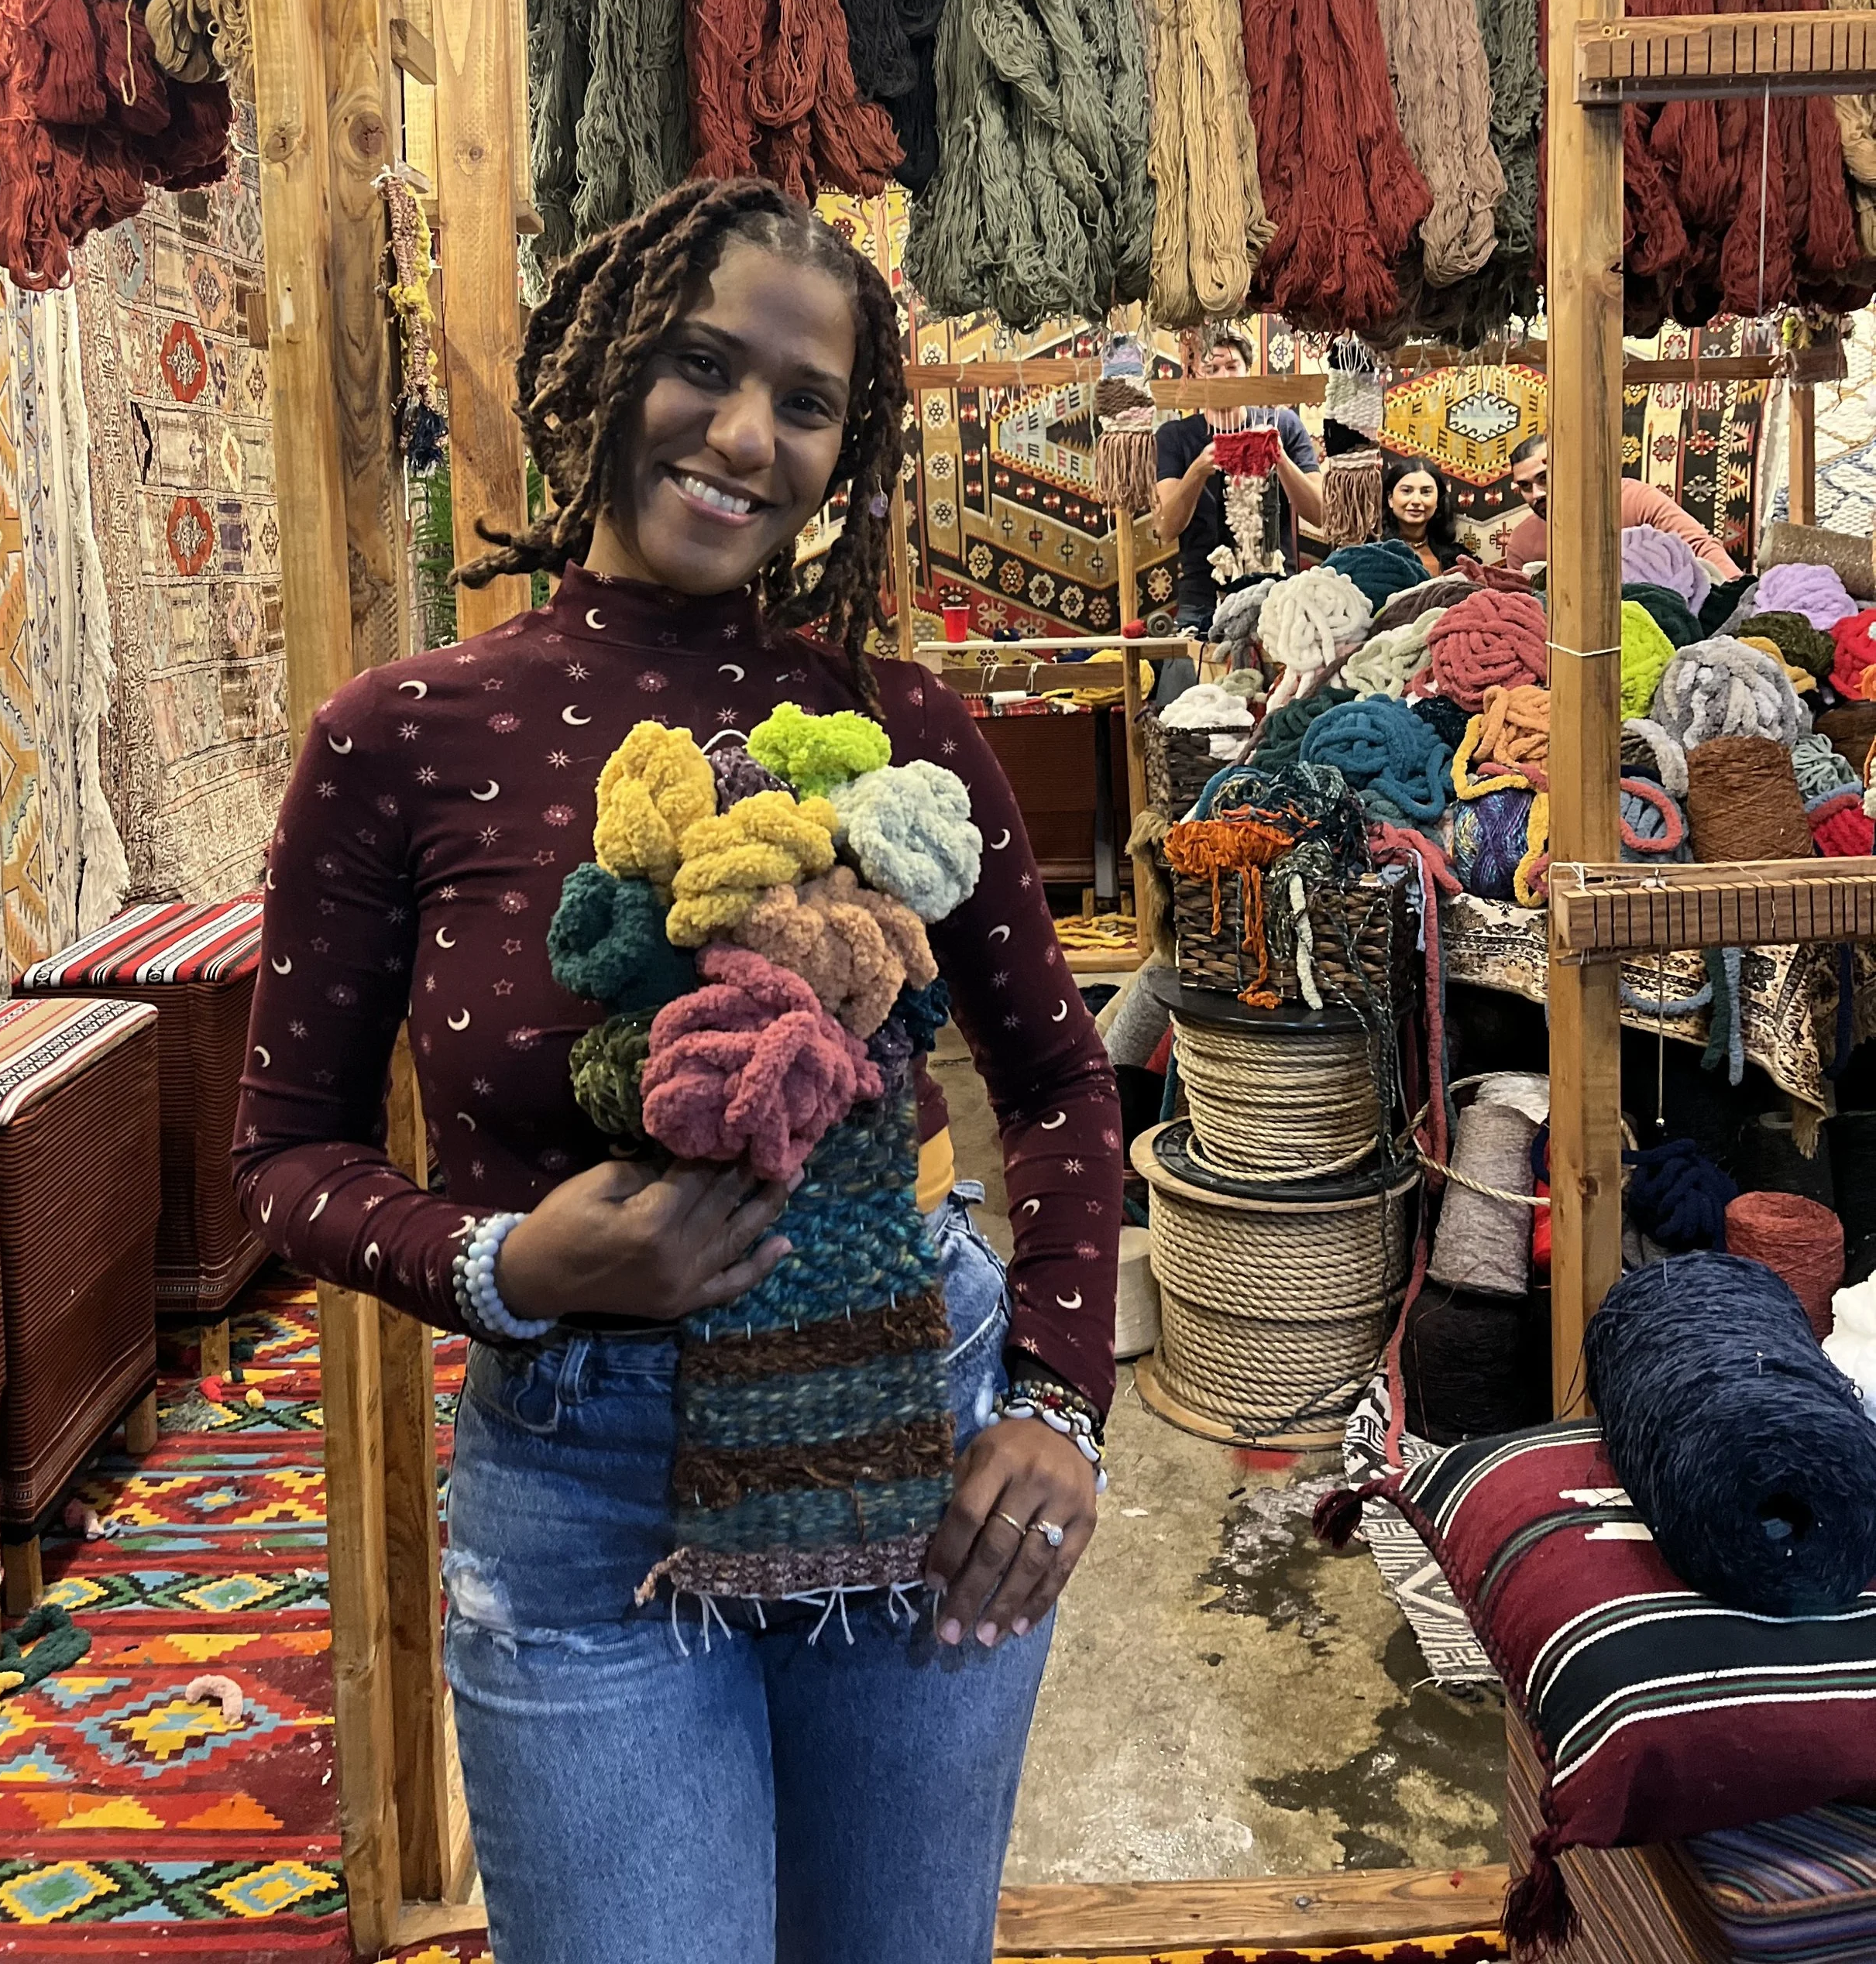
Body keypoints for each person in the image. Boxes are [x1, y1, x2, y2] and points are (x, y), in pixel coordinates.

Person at [232, 177, 1122, 1964]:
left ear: (847, 452)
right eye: (702, 370)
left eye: (803, 402)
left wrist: (1057, 1401)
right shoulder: (403, 739)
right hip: (580, 1506)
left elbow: (1057, 1085)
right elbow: (285, 1151)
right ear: (610, 367)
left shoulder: (908, 728)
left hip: (917, 1470)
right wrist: (506, 1268)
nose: (742, 436)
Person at [1153, 323, 1325, 640]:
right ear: (1194, 373)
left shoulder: (1283, 425)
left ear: (1249, 372)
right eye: (1211, 368)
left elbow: (1319, 514)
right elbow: (1165, 528)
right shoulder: (1175, 437)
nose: (1222, 378)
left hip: (1277, 592)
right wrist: (1198, 470)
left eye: (1232, 368)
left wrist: (1280, 458)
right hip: (1202, 599)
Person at [1503, 431, 1740, 579]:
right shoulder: (1522, 542)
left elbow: (1699, 546)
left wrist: (1740, 599)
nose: (1536, 494)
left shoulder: (1634, 500)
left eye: (1544, 478)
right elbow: (1520, 604)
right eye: (1525, 486)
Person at [1381, 454, 1467, 578]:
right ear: (1390, 499)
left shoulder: (1458, 560)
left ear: (1438, 500)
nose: (1416, 501)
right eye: (1406, 491)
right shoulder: (1371, 553)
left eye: (1426, 492)